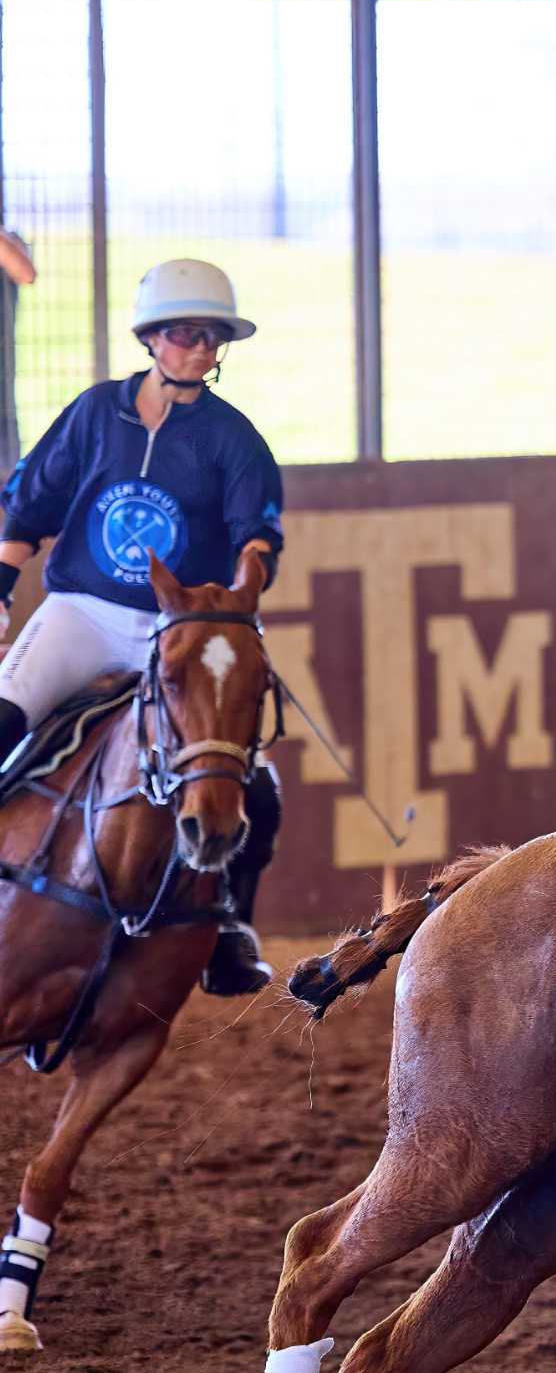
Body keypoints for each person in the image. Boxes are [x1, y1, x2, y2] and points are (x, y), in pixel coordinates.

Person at [0, 258, 285, 995]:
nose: (202, 349)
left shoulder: (232, 437)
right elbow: (30, 507)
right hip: (82, 615)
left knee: (252, 784)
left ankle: (227, 927)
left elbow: (257, 526)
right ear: (153, 339)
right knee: (3, 718)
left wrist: (252, 572)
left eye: (213, 338)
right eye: (188, 334)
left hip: (178, 626)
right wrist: (2, 588)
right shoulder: (96, 414)